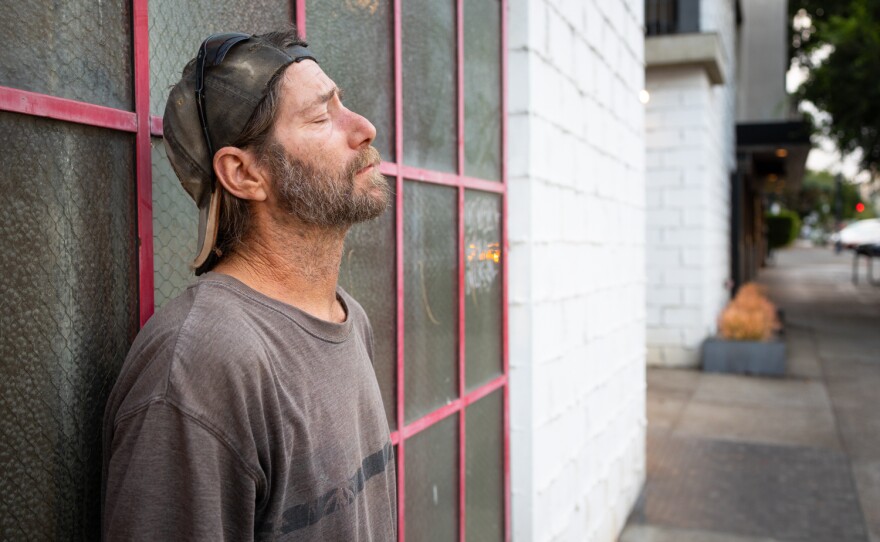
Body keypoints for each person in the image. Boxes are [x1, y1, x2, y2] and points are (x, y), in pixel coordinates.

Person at [102, 28, 396, 541]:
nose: (365, 128)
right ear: (243, 173)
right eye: (323, 116)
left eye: (343, 104)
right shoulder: (201, 364)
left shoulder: (348, 318)